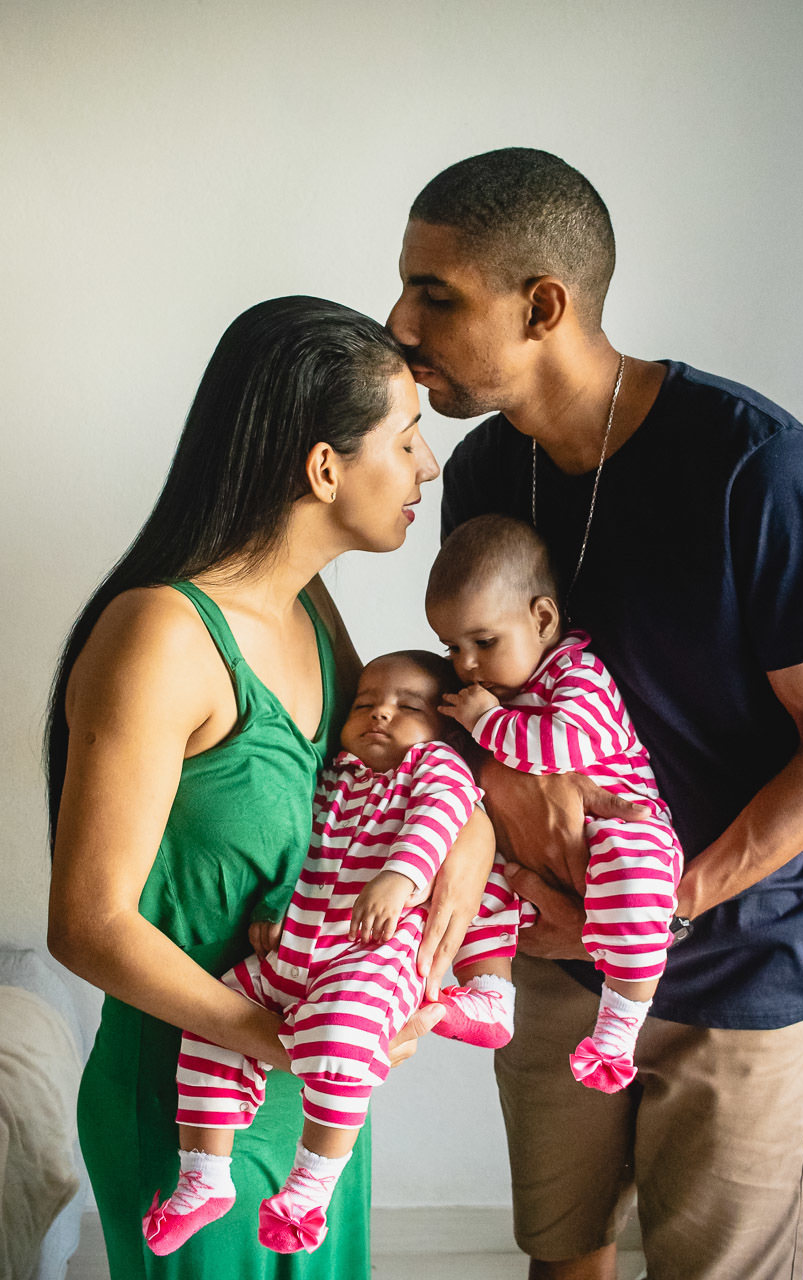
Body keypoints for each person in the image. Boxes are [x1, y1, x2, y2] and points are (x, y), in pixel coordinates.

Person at [387, 148, 803, 1280]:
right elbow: (488, 704)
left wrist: (665, 904)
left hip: (731, 965)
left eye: (435, 293)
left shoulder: (751, 462)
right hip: (545, 960)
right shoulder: (488, 472)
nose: (398, 321)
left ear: (542, 304)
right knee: (564, 1257)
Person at [45, 296, 495, 1280]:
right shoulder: (159, 636)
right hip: (190, 1098)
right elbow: (85, 922)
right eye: (407, 435)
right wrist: (279, 1041)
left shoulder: (308, 606)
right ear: (324, 466)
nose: (426, 465)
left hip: (315, 1099)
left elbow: (392, 773)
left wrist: (466, 845)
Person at [143, 649, 532, 1257]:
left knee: (339, 1041)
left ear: (445, 727)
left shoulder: (436, 766)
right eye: (365, 703)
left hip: (371, 955)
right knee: (210, 1020)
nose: (380, 714)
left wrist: (401, 878)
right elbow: (293, 836)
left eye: (407, 707)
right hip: (295, 946)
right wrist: (274, 907)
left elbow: (443, 814)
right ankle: (204, 1177)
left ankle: (309, 1188)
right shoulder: (335, 773)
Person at [427, 513, 683, 1094]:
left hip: (628, 824)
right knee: (479, 879)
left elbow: (558, 749)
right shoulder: (500, 694)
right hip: (543, 865)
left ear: (542, 618)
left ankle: (618, 1030)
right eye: (452, 647)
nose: (466, 663)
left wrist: (488, 722)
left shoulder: (578, 673)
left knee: (629, 856)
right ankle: (490, 996)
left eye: (484, 642)